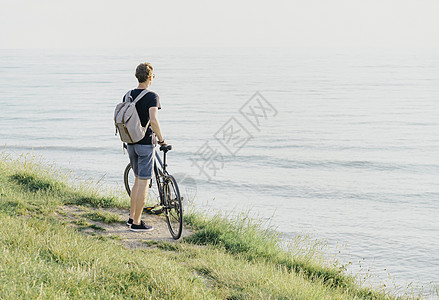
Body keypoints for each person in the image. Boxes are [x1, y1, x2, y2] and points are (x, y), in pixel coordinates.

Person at [125, 62, 167, 232]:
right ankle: (136, 223)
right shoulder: (152, 96)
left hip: (130, 143)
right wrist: (162, 140)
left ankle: (131, 218)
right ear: (151, 77)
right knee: (144, 182)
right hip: (144, 144)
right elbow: (154, 120)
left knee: (136, 180)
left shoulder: (127, 95)